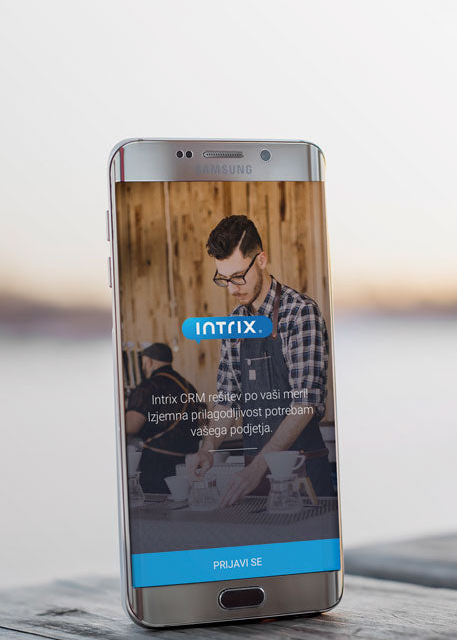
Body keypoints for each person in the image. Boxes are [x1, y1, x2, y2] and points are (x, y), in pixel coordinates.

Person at [186, 215, 333, 507]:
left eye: (239, 276)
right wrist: (208, 448)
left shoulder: (300, 313)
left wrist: (256, 469)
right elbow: (227, 400)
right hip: (253, 476)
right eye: (223, 279)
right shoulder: (234, 323)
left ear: (262, 260)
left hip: (301, 473)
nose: (232, 288)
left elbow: (305, 405)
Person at [125, 343, 201, 493]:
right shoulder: (188, 386)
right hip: (186, 463)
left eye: (143, 364)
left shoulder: (149, 386)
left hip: (156, 464)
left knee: (158, 508)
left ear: (148, 362)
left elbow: (130, 426)